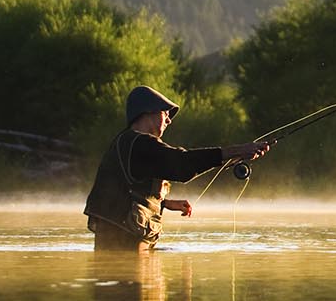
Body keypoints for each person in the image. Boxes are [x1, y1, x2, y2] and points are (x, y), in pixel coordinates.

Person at [83, 85, 269, 251]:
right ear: (148, 112)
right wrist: (237, 150)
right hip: (123, 248)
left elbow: (125, 187)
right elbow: (182, 164)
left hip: (122, 242)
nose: (169, 121)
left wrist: (164, 203)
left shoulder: (128, 142)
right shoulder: (138, 143)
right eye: (165, 114)